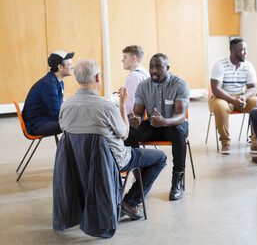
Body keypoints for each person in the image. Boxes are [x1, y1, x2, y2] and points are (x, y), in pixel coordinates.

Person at [59, 59, 167, 220]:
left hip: (79, 160)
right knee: (160, 158)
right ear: (97, 78)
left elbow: (65, 131)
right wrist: (122, 105)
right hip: (110, 160)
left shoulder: (65, 106)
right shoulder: (106, 107)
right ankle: (130, 202)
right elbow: (124, 134)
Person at [124, 53, 189, 201]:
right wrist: (135, 120)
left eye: (158, 67)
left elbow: (181, 115)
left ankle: (177, 181)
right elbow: (138, 113)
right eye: (151, 66)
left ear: (167, 68)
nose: (154, 70)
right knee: (130, 131)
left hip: (173, 125)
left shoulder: (179, 84)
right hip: (153, 125)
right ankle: (140, 175)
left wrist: (165, 122)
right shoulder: (143, 86)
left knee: (179, 132)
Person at [209, 38, 257, 154]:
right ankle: (225, 142)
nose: (246, 52)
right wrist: (233, 100)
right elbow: (216, 89)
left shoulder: (248, 66)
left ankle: (256, 142)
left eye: (246, 50)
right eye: (243, 50)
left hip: (241, 97)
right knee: (220, 106)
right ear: (233, 50)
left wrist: (244, 97)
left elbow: (253, 87)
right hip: (222, 97)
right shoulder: (220, 65)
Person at [22, 50, 74, 136]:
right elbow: (57, 114)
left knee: (75, 120)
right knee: (74, 124)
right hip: (36, 125)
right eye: (69, 64)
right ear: (60, 67)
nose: (72, 67)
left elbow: (60, 106)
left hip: (45, 118)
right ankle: (69, 149)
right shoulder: (49, 85)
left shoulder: (57, 81)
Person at [121, 45, 149, 114]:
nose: (122, 60)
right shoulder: (145, 72)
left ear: (133, 59)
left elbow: (130, 107)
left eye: (125, 57)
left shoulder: (133, 76)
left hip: (133, 117)